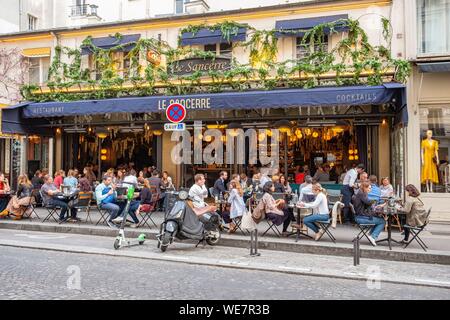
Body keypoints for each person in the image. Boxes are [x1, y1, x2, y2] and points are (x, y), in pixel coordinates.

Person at [352, 182, 386, 246]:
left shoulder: (360, 193)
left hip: (359, 216)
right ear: (365, 188)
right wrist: (376, 202)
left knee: (379, 219)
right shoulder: (362, 194)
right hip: (361, 218)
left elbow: (368, 204)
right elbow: (368, 202)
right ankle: (373, 237)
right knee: (382, 221)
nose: (370, 190)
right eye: (369, 188)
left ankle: (370, 234)